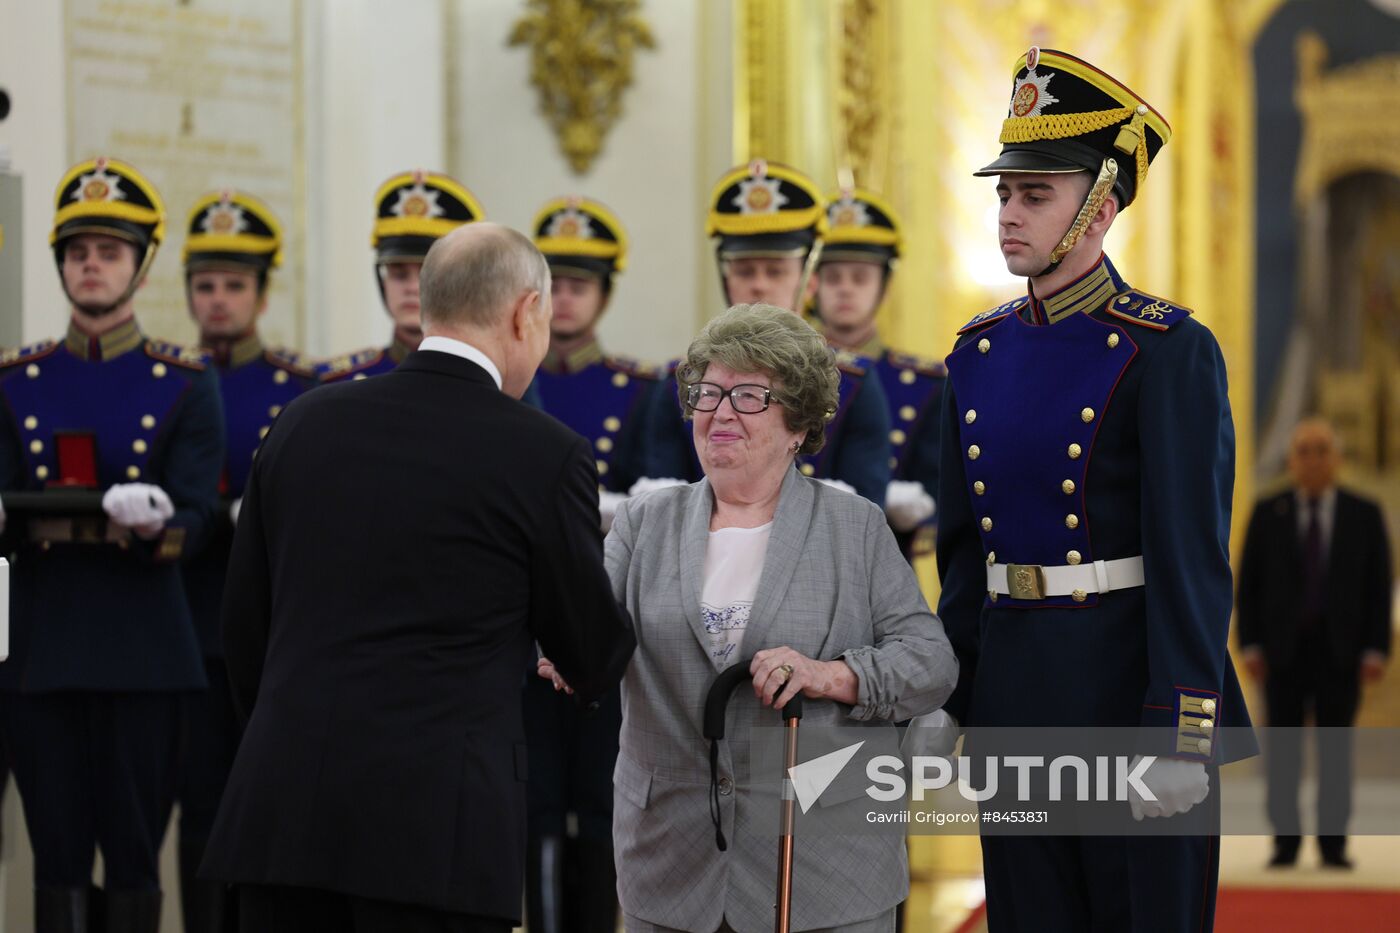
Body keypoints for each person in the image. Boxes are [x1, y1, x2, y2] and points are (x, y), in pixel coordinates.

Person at [201, 222, 636, 933]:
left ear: (429, 305)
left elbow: (244, 626)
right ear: (527, 313)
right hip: (438, 835)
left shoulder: (304, 422)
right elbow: (590, 647)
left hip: (282, 816)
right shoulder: (543, 453)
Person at [933, 48, 1255, 931]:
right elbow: (968, 558)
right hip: (1016, 698)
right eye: (1004, 192)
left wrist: (1183, 730)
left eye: (1035, 194)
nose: (1009, 213)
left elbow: (1193, 562)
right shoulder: (975, 353)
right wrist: (949, 699)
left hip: (1127, 696)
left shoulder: (1166, 348)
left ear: (1102, 206)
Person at [543, 303, 957, 932]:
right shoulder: (642, 524)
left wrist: (828, 675)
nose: (721, 411)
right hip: (671, 866)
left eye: (748, 395)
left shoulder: (854, 527)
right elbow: (593, 631)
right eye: (708, 391)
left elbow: (931, 664)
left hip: (822, 867)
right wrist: (569, 654)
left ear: (798, 424)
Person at [0, 156, 224, 932]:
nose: (90, 265)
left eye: (109, 251)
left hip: (143, 654)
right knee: (55, 854)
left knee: (133, 858)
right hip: (44, 650)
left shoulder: (183, 382)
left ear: (141, 263)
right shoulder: (15, 380)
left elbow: (201, 518)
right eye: (76, 251)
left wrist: (159, 520)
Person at [177, 189, 314, 932]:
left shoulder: (299, 389)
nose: (219, 300)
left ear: (262, 291)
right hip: (190, 618)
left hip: (271, 630)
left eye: (234, 285)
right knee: (200, 805)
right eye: (205, 285)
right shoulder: (170, 383)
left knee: (266, 805)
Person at [522, 195, 657, 933]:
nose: (567, 297)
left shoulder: (640, 391)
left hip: (605, 621)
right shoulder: (516, 381)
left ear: (604, 292)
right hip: (529, 620)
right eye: (556, 284)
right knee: (536, 806)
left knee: (604, 803)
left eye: (582, 283)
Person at [637, 161, 892, 507]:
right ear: (726, 280)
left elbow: (864, 515)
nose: (759, 283)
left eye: (775, 271)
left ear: (810, 280)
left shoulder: (854, 382)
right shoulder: (678, 382)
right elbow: (665, 510)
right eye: (744, 271)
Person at [1237, 417, 1392, 869]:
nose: (1313, 459)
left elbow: (1378, 587)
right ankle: (1285, 842)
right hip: (1282, 654)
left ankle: (1333, 844)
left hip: (1340, 653)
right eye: (1304, 450)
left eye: (1322, 449)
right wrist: (1248, 645)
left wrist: (1376, 648)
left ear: (1337, 458)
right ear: (1291, 460)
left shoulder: (1364, 513)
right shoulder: (1269, 512)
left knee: (1335, 752)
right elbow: (1248, 584)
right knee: (1282, 754)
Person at [816, 187, 943, 557]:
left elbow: (941, 490)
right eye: (833, 277)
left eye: (860, 277)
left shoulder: (925, 385)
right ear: (813, 285)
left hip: (883, 561)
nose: (845, 290)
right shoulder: (784, 375)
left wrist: (919, 511)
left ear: (884, 288)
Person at [319, 169, 484, 382]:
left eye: (428, 276)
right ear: (382, 280)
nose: (413, 287)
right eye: (399, 274)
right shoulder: (341, 381)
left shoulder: (491, 381)